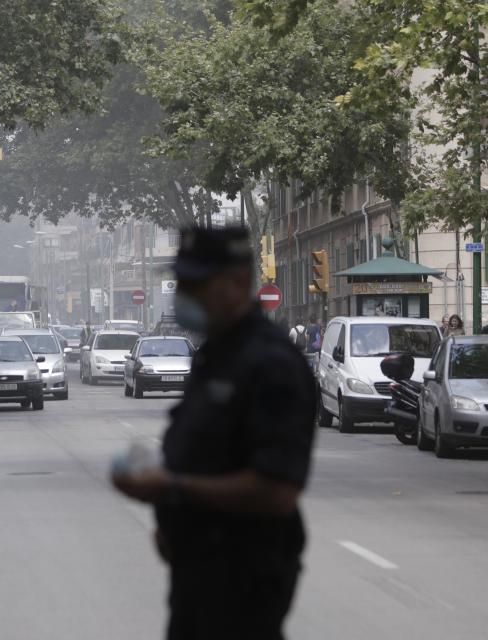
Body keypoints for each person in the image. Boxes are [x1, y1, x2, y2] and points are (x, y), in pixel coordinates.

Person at [112, 226, 316, 640]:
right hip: (197, 567)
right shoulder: (216, 355)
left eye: (197, 283)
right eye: (183, 283)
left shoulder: (270, 363)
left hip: (244, 573)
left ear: (238, 282)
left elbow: (276, 490)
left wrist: (173, 488)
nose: (185, 294)